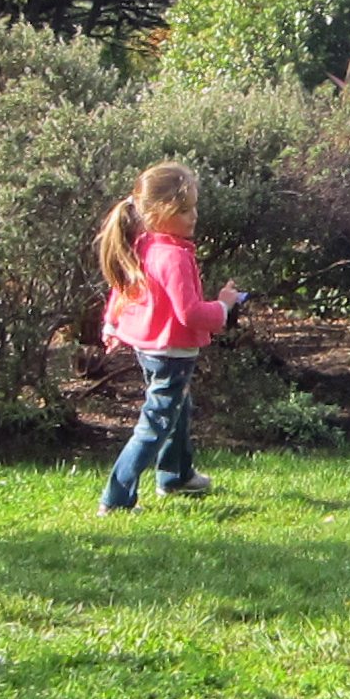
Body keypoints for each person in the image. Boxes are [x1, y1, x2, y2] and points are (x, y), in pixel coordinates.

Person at [94, 162, 242, 515]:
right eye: (184, 209)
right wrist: (223, 307)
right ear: (159, 213)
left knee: (177, 409)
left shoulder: (145, 244)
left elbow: (124, 286)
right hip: (172, 350)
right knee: (157, 421)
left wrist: (112, 324)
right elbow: (189, 312)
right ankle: (116, 499)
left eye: (193, 206)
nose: (194, 216)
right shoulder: (172, 256)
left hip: (151, 347)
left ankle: (176, 475)